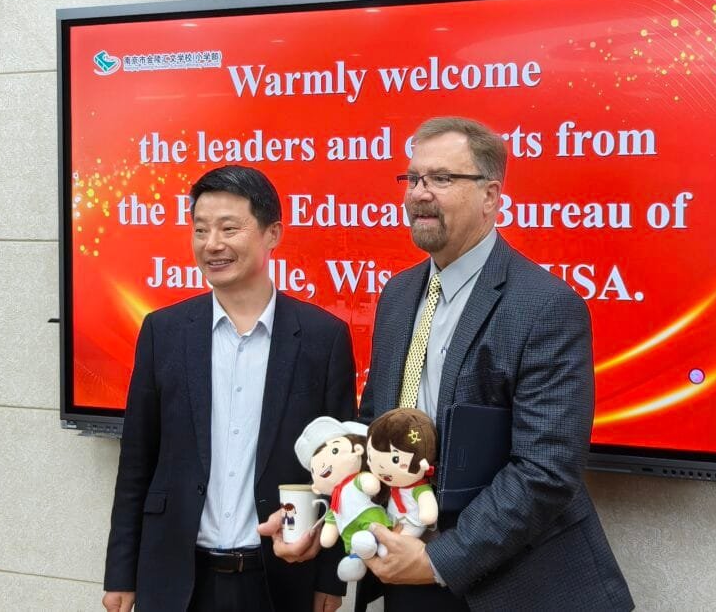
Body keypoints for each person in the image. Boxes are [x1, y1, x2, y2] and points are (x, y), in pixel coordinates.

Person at [356, 116, 634, 611]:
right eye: (414, 178)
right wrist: (326, 516)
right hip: (407, 572)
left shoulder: (545, 306)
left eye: (441, 179)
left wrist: (441, 560)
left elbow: (545, 470)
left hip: (511, 583)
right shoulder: (398, 297)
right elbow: (376, 424)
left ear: (491, 196)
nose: (420, 193)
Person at [102, 165, 356, 612]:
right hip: (177, 578)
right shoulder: (165, 331)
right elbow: (137, 462)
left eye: (228, 228)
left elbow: (340, 472)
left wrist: (330, 577)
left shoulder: (323, 337)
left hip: (279, 578)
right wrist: (121, 573)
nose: (211, 244)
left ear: (272, 233)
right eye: (200, 230)